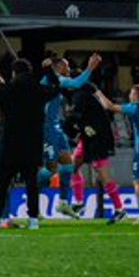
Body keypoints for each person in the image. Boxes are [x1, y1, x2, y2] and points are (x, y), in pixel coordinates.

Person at [0, 59, 59, 230]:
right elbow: (56, 89)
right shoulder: (39, 89)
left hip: (10, 144)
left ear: (14, 73)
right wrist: (49, 71)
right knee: (32, 184)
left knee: (2, 183)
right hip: (33, 144)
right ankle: (33, 220)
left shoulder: (7, 89)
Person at [40, 53, 102, 219]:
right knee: (51, 168)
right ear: (58, 67)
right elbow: (77, 83)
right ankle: (33, 197)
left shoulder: (55, 82)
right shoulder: (53, 79)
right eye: (66, 66)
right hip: (46, 128)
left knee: (68, 164)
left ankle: (63, 203)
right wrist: (90, 68)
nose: (69, 69)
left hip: (55, 127)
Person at [95, 84, 139, 224]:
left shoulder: (136, 107)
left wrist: (98, 93)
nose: (129, 96)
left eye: (131, 94)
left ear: (135, 95)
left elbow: (109, 106)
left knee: (138, 181)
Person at [69, 82, 127, 224]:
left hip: (98, 140)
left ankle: (120, 209)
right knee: (72, 165)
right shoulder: (89, 97)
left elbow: (79, 118)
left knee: (103, 174)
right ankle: (79, 202)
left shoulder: (82, 96)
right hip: (87, 139)